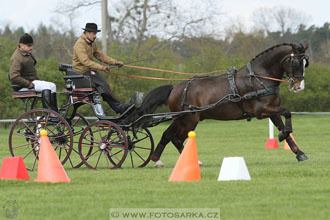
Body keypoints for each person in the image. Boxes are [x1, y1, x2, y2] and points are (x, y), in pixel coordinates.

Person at [72, 22, 132, 114]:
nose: (95, 36)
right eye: (93, 33)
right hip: (80, 74)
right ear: (87, 33)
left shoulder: (92, 43)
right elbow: (85, 61)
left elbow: (101, 56)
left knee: (104, 86)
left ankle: (118, 107)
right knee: (104, 85)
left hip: (88, 72)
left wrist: (115, 62)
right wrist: (102, 67)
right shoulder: (80, 44)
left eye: (96, 33)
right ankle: (119, 108)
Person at [10, 33, 58, 112]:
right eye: (29, 46)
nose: (31, 48)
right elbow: (14, 76)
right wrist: (28, 84)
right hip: (22, 86)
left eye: (31, 45)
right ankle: (48, 113)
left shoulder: (26, 54)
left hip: (31, 82)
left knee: (53, 86)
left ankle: (55, 112)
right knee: (46, 86)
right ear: (22, 46)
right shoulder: (16, 57)